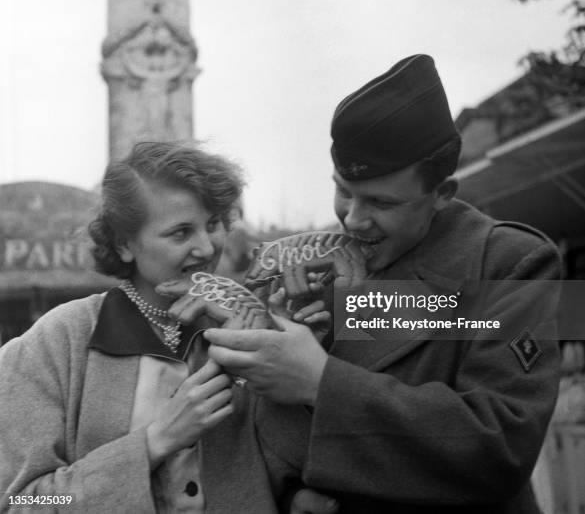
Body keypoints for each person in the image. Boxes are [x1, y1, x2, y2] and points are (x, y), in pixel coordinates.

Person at [202, 54, 562, 513]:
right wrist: (289, 494)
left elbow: (502, 445)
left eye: (380, 202)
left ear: (442, 195)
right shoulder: (314, 271)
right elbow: (266, 431)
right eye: (343, 191)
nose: (352, 219)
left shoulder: (511, 263)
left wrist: (320, 381)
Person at [0, 141, 330, 514]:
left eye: (213, 224)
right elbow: (22, 503)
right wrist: (156, 441)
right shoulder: (56, 342)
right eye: (181, 232)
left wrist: (303, 359)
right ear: (125, 244)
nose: (206, 248)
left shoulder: (247, 331)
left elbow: (293, 472)